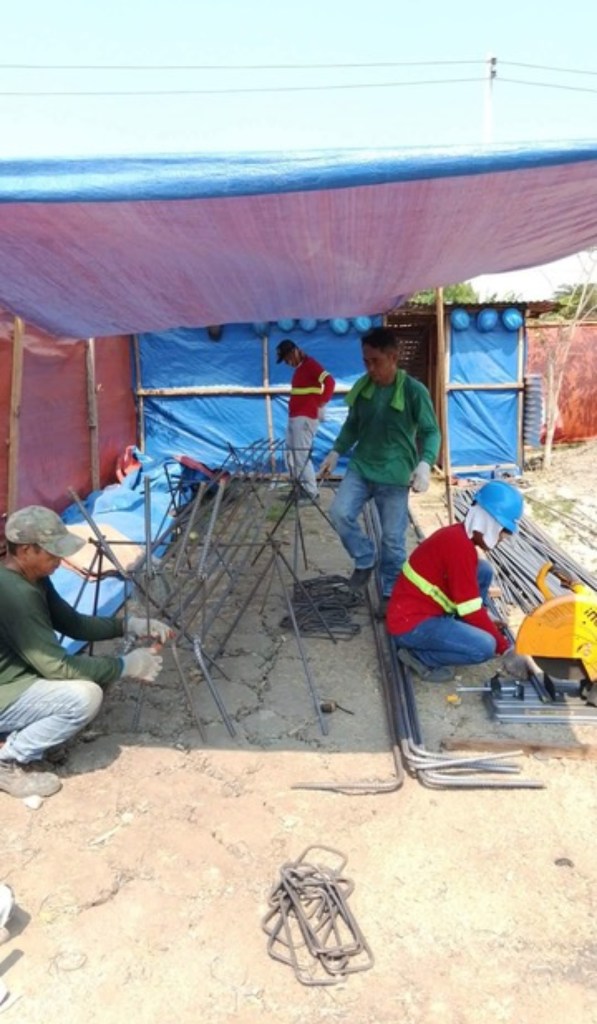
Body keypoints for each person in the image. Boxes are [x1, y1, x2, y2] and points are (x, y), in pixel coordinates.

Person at [0, 506, 170, 800]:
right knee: (84, 697)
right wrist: (124, 665)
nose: (59, 560)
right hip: (6, 688)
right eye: (52, 554)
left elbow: (72, 622)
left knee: (92, 676)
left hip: (16, 677)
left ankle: (22, 740)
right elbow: (55, 666)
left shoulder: (32, 577)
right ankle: (8, 760)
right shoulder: (15, 594)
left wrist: (128, 626)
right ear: (25, 550)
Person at [319, 326, 440, 598]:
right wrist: (336, 451)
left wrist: (425, 463)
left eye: (376, 361)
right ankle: (365, 559)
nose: (370, 368)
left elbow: (431, 431)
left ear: (394, 357)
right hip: (362, 467)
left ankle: (390, 593)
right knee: (340, 513)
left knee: (393, 540)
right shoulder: (364, 389)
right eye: (365, 361)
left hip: (395, 473)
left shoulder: (413, 391)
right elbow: (352, 425)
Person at [387, 480, 532, 683]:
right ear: (490, 524)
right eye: (502, 533)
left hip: (415, 610)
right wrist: (506, 649)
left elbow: (469, 602)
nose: (501, 540)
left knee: (483, 570)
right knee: (484, 647)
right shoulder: (459, 549)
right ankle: (419, 658)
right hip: (410, 626)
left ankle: (462, 628)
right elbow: (470, 608)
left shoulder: (458, 537)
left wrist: (483, 620)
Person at [276, 339, 335, 501]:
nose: (287, 363)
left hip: (305, 418)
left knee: (300, 455)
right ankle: (300, 488)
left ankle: (311, 491)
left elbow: (329, 381)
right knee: (291, 455)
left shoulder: (310, 364)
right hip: (295, 417)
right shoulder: (300, 369)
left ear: (294, 352)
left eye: (288, 358)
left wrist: (321, 403)